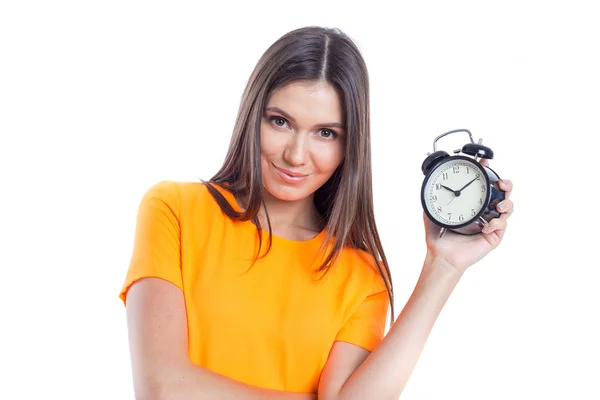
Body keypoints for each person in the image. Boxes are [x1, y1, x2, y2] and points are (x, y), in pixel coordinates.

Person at [118, 26, 514, 399]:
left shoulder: (361, 276)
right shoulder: (175, 210)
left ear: (348, 147)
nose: (296, 155)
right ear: (251, 116)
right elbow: (163, 389)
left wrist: (443, 268)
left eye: (326, 133)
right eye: (280, 121)